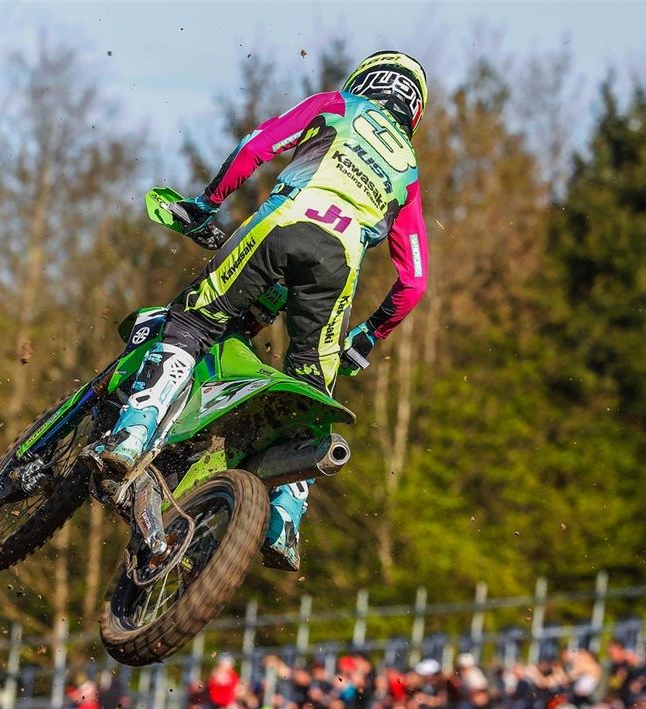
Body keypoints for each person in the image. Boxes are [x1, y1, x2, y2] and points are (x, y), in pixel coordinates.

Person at [83, 51, 430, 572]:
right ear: (414, 111)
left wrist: (205, 203)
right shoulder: (408, 170)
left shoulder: (337, 104)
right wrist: (368, 336)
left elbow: (256, 145)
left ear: (366, 79)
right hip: (337, 268)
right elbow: (414, 281)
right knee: (312, 393)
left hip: (280, 227)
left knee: (193, 323)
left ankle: (132, 433)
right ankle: (285, 521)